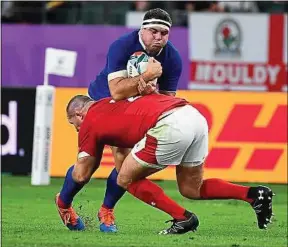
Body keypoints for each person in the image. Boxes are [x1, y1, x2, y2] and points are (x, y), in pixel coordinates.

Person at [55, 93, 274, 234]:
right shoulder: (115, 100)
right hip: (194, 116)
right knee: (192, 188)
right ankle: (253, 195)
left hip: (169, 124)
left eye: (71, 122)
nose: (74, 127)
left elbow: (82, 174)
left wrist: (64, 199)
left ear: (78, 114)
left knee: (125, 176)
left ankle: (183, 218)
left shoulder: (89, 122)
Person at [86, 8, 182, 232]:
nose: (159, 37)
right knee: (86, 168)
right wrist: (147, 77)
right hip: (102, 100)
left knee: (125, 162)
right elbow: (117, 92)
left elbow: (165, 101)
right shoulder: (122, 45)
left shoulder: (172, 58)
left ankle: (106, 210)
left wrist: (149, 93)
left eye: (164, 33)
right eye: (153, 31)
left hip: (133, 105)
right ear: (143, 29)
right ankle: (65, 203)